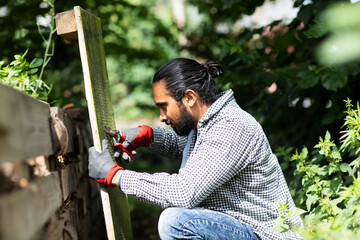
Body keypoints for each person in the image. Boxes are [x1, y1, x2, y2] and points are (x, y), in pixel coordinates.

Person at [88, 58, 302, 240]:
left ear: (189, 98)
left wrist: (117, 176)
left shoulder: (230, 127)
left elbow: (183, 192)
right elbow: (188, 149)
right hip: (243, 227)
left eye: (164, 106)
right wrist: (148, 136)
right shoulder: (207, 124)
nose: (162, 116)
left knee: (176, 222)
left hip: (265, 234)